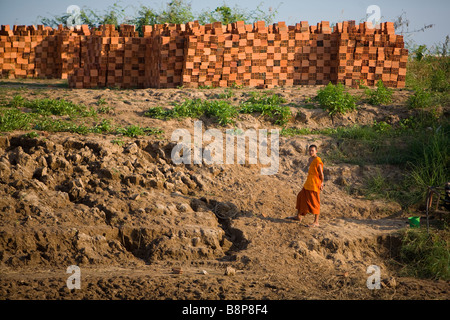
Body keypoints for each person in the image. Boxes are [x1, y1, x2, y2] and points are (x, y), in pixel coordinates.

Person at [287, 144, 324, 227]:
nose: (311, 152)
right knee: (300, 197)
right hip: (308, 183)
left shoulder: (318, 161)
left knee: (315, 202)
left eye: (312, 151)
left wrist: (321, 183)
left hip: (314, 184)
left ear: (316, 151)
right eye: (310, 150)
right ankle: (298, 216)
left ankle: (316, 222)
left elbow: (321, 174)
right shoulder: (310, 159)